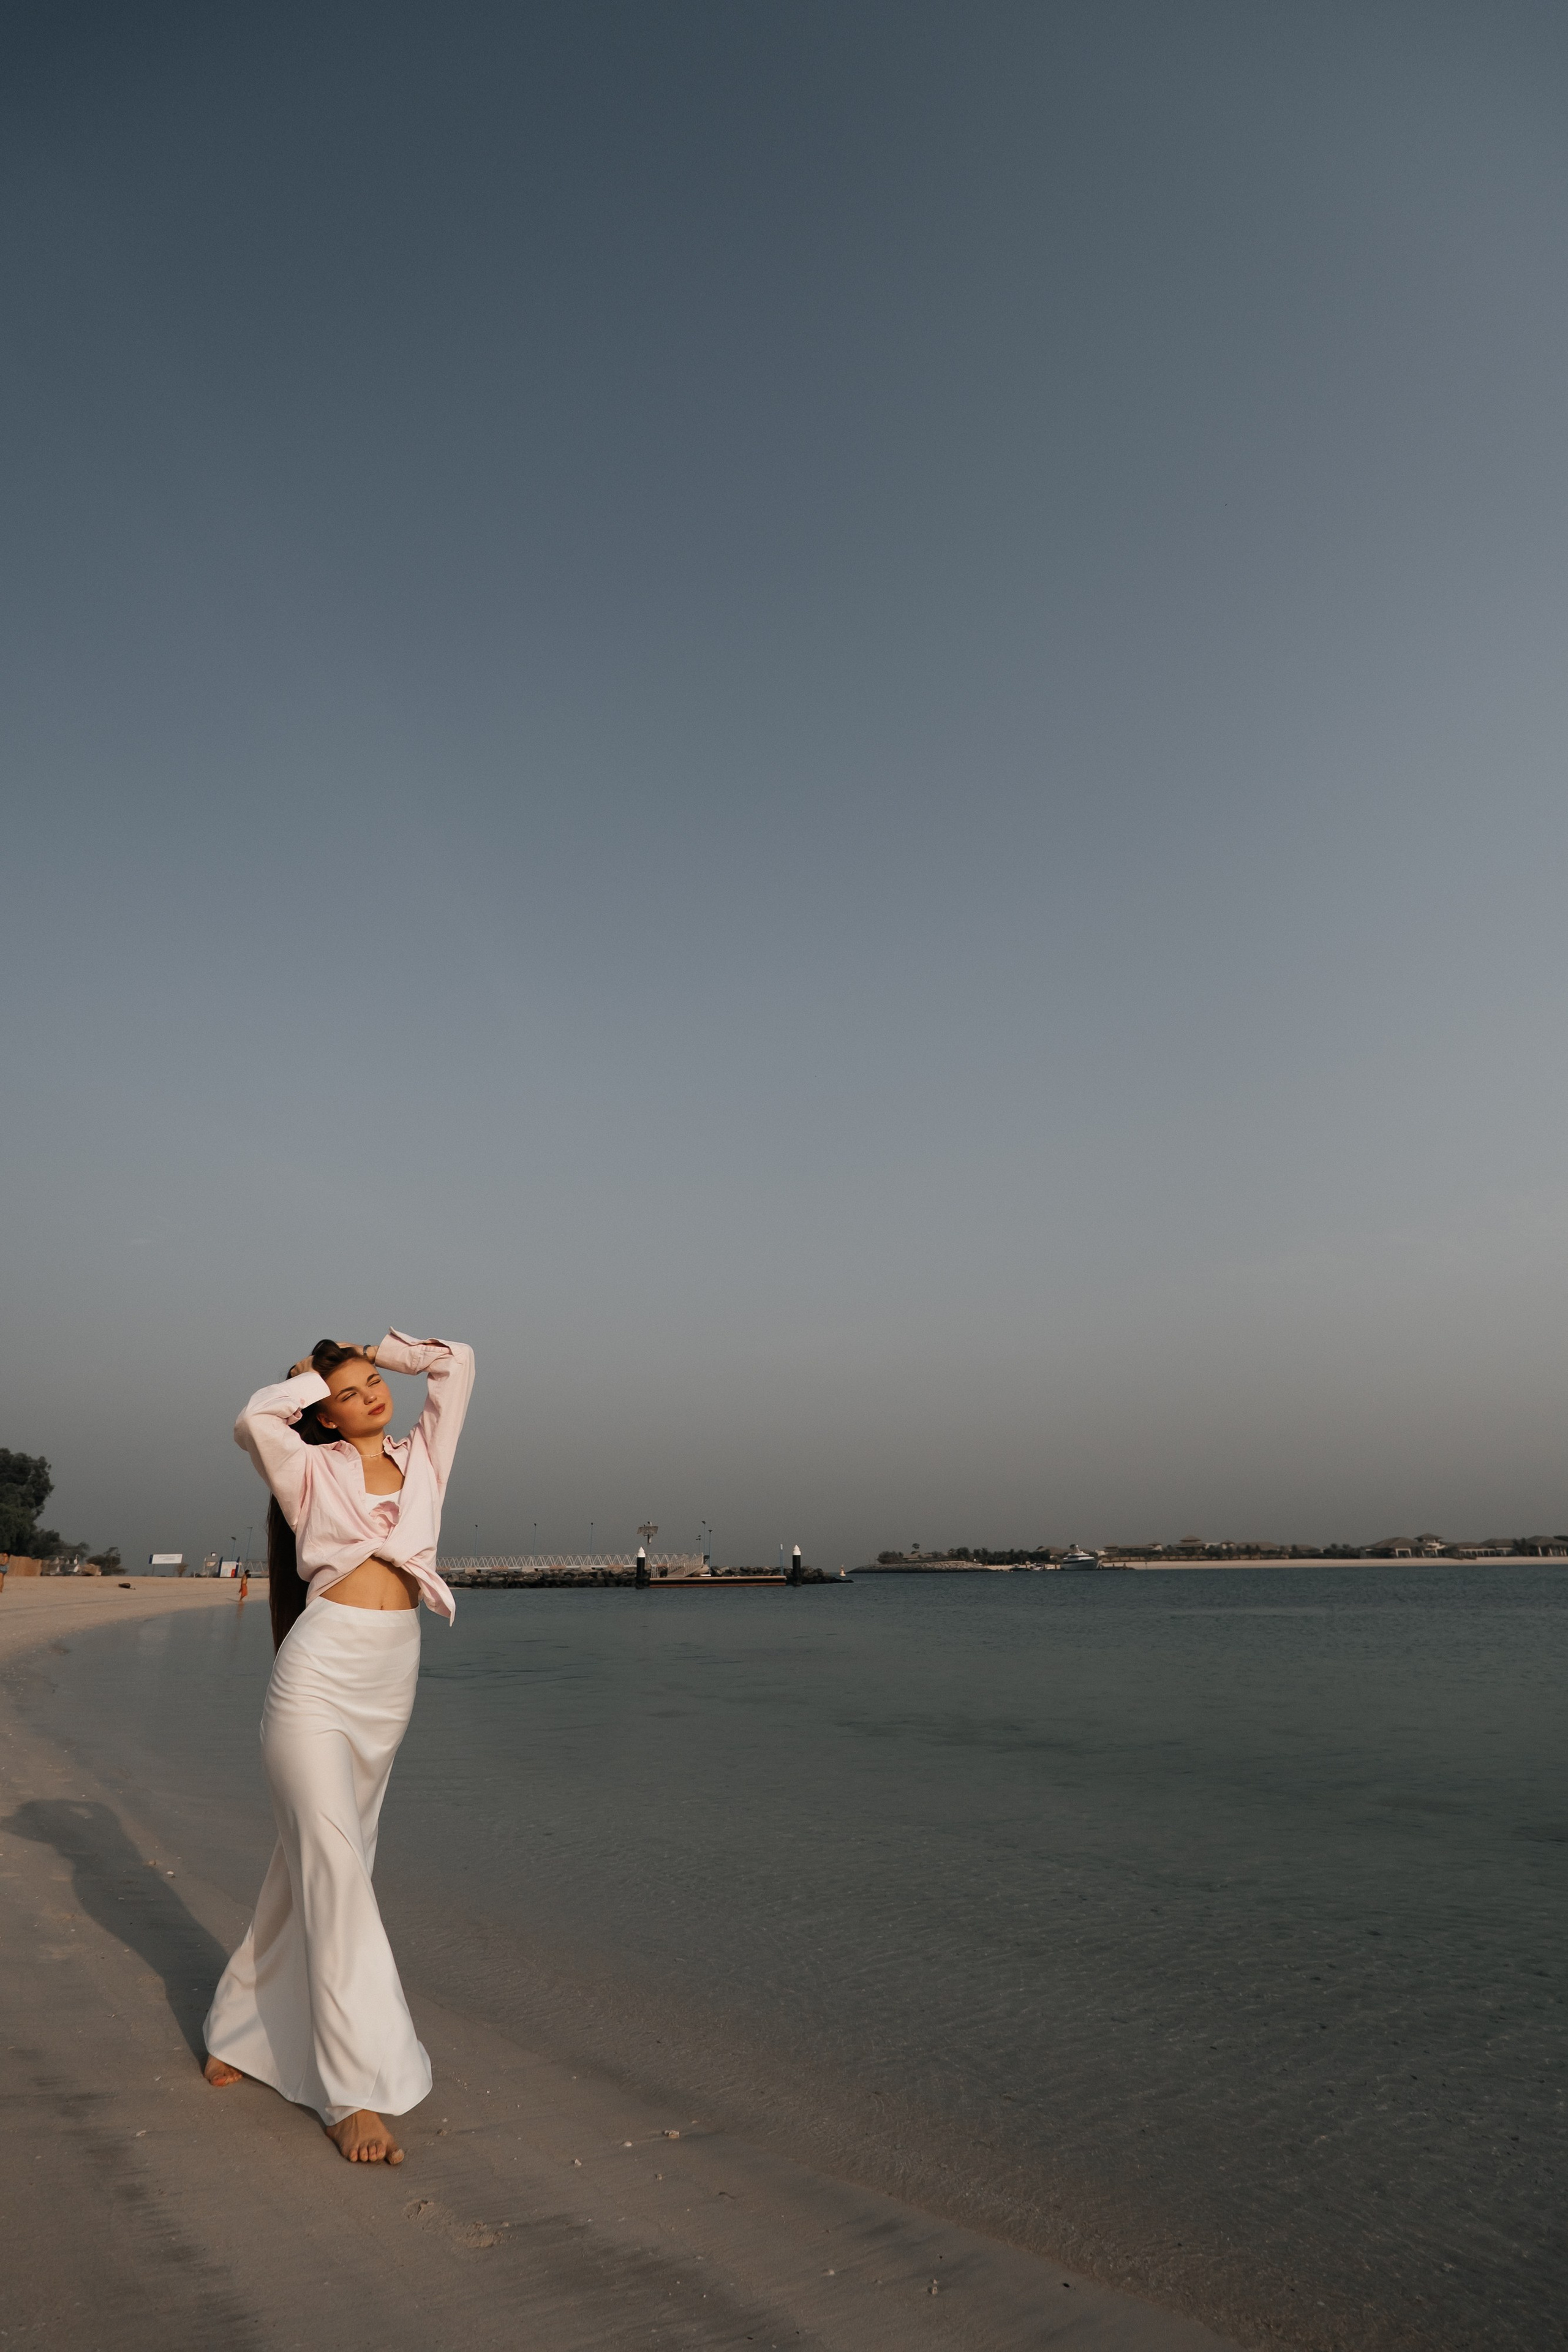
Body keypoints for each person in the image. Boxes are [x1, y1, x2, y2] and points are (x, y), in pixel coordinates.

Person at [202, 1329, 475, 2165]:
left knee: (313, 1865)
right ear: (322, 1412)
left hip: (389, 1683)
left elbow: (457, 1363)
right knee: (335, 1869)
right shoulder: (307, 1468)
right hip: (317, 1680)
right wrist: (309, 1384)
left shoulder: (423, 1456)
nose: (369, 1395)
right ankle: (351, 2090)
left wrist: (384, 1352)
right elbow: (253, 1420)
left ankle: (242, 2029)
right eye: (350, 1392)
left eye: (371, 1384)